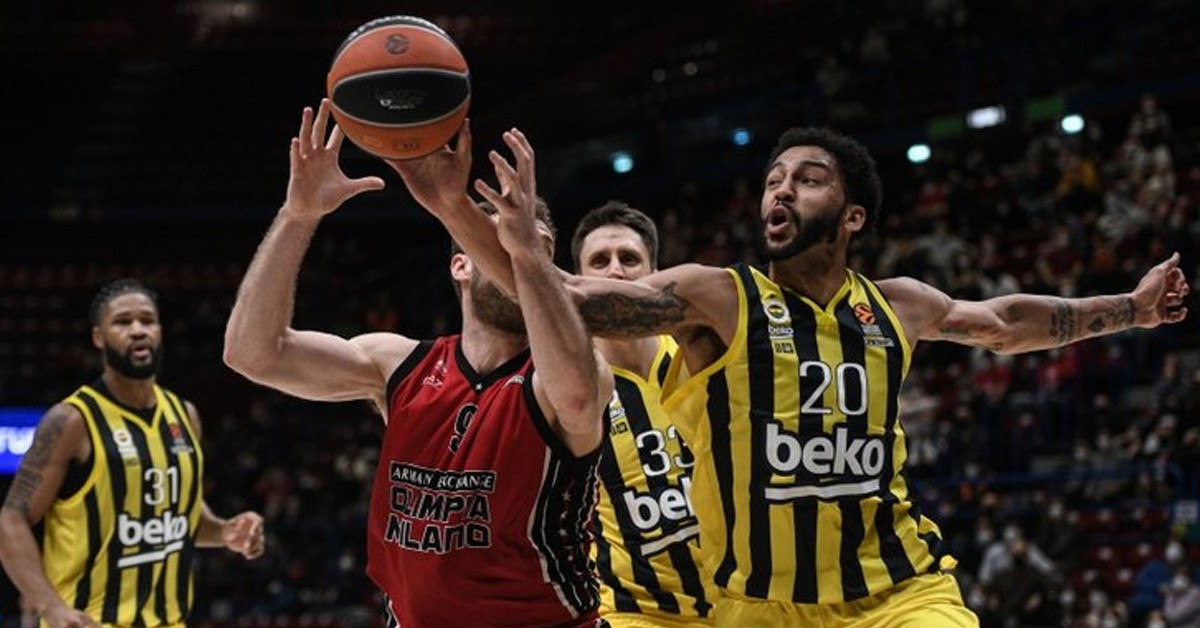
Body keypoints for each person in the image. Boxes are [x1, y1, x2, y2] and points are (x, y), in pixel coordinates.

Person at [414, 126, 1190, 627]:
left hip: (897, 592)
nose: (780, 189)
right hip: (755, 606)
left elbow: (1006, 321)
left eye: (807, 178)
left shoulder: (897, 305)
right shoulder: (720, 298)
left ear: (853, 216)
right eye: (773, 178)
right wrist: (458, 211)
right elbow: (570, 299)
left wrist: (1132, 309)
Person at [223, 100, 613, 627]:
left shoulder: (568, 372)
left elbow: (577, 396)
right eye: (498, 238)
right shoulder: (400, 364)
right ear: (460, 265)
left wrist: (523, 252)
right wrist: (299, 215)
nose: (519, 252)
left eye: (539, 248)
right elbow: (252, 353)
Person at [0, 279, 265, 628]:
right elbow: (11, 519)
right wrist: (49, 606)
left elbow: (179, 513)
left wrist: (224, 532)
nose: (138, 330)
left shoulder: (185, 415)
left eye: (147, 320)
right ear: (99, 337)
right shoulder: (71, 421)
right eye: (123, 322)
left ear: (160, 331)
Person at [571, 202, 716, 626]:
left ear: (656, 273)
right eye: (600, 261)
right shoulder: (569, 386)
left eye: (629, 259)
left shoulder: (702, 355)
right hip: (635, 612)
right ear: (578, 280)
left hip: (741, 601)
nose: (616, 271)